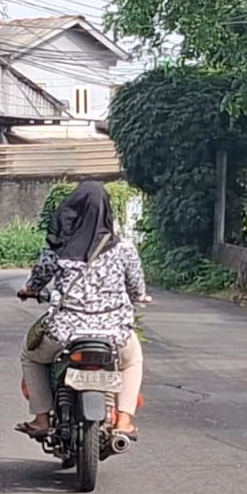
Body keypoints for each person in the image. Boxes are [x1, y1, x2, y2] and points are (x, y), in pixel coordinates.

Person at [17, 182, 150, 439]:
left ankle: (41, 418)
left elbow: (36, 281)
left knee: (30, 355)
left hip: (66, 333)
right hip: (114, 334)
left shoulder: (58, 249)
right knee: (132, 361)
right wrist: (139, 297)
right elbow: (136, 288)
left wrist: (28, 290)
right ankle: (123, 421)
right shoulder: (124, 249)